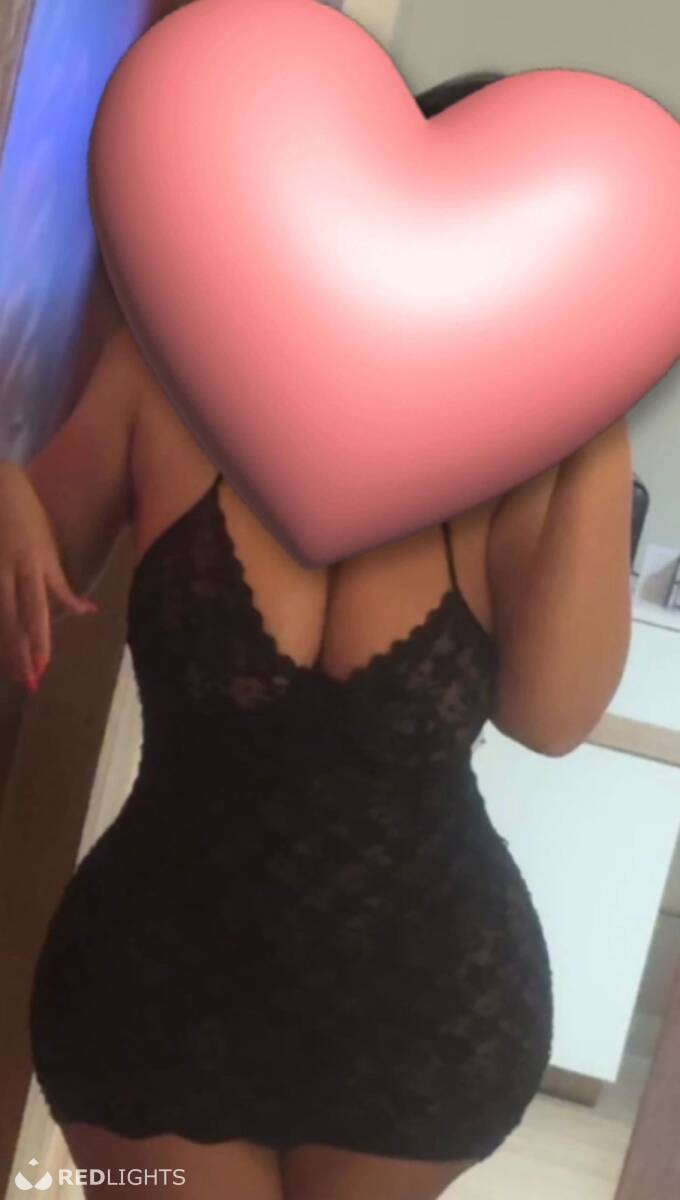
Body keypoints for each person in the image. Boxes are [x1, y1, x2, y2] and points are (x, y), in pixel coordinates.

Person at [4, 70, 632, 1200]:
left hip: (425, 1011)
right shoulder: (169, 373)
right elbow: (22, 590)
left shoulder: (535, 457)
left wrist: (598, 414)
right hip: (154, 986)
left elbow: (552, 719)